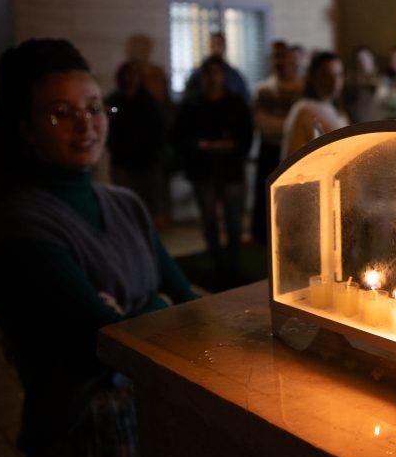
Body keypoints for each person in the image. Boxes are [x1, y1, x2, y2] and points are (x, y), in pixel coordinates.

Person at [0, 38, 197, 457]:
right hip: (79, 440)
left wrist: (141, 312)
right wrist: (152, 309)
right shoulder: (24, 224)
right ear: (26, 129)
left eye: (95, 108)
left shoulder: (125, 204)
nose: (86, 126)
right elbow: (106, 342)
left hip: (148, 421)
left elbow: (188, 304)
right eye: (60, 113)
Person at [173, 55, 254, 288]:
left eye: (216, 73)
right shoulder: (192, 104)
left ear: (223, 76)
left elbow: (246, 135)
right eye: (208, 74)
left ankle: (233, 263)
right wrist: (200, 145)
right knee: (209, 220)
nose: (212, 78)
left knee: (234, 220)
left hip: (230, 169)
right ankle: (218, 263)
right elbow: (179, 136)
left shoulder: (235, 103)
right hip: (203, 169)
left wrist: (231, 146)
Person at [251, 40, 302, 243]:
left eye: (284, 56)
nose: (280, 61)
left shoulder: (302, 88)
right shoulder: (263, 89)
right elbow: (263, 124)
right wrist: (290, 126)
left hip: (294, 151)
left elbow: (304, 121)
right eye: (276, 57)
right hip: (269, 151)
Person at [106, 60, 166, 216]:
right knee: (122, 203)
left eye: (135, 74)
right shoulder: (115, 101)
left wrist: (154, 152)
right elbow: (108, 122)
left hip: (146, 161)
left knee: (147, 204)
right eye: (128, 73)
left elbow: (158, 130)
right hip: (121, 161)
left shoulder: (149, 102)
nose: (131, 78)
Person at [281, 51, 348, 159]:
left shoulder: (337, 111)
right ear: (313, 77)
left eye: (338, 75)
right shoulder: (303, 110)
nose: (335, 81)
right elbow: (293, 157)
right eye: (327, 75)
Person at [182, 32, 250, 103]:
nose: (216, 48)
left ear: (224, 47)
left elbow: (243, 99)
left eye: (219, 44)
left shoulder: (234, 76)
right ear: (209, 46)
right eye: (213, 44)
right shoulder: (197, 75)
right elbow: (188, 99)